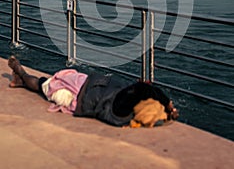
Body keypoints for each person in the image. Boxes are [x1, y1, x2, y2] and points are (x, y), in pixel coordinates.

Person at [8, 55, 178, 127]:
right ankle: (20, 79)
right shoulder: (122, 110)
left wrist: (167, 103)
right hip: (88, 87)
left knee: (44, 84)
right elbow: (143, 90)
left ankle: (21, 74)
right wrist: (167, 106)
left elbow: (142, 89)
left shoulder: (119, 109)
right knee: (44, 84)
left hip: (82, 92)